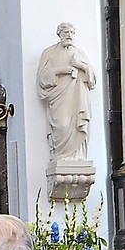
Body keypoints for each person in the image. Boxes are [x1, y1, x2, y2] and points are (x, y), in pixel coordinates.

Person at [37, 22, 96, 162]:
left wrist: (80, 66)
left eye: (71, 33)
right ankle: (61, 155)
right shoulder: (49, 52)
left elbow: (92, 77)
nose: (68, 35)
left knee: (78, 125)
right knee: (62, 125)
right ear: (59, 35)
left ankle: (78, 156)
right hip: (59, 98)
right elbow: (42, 78)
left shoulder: (79, 53)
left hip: (77, 98)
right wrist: (60, 71)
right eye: (65, 33)